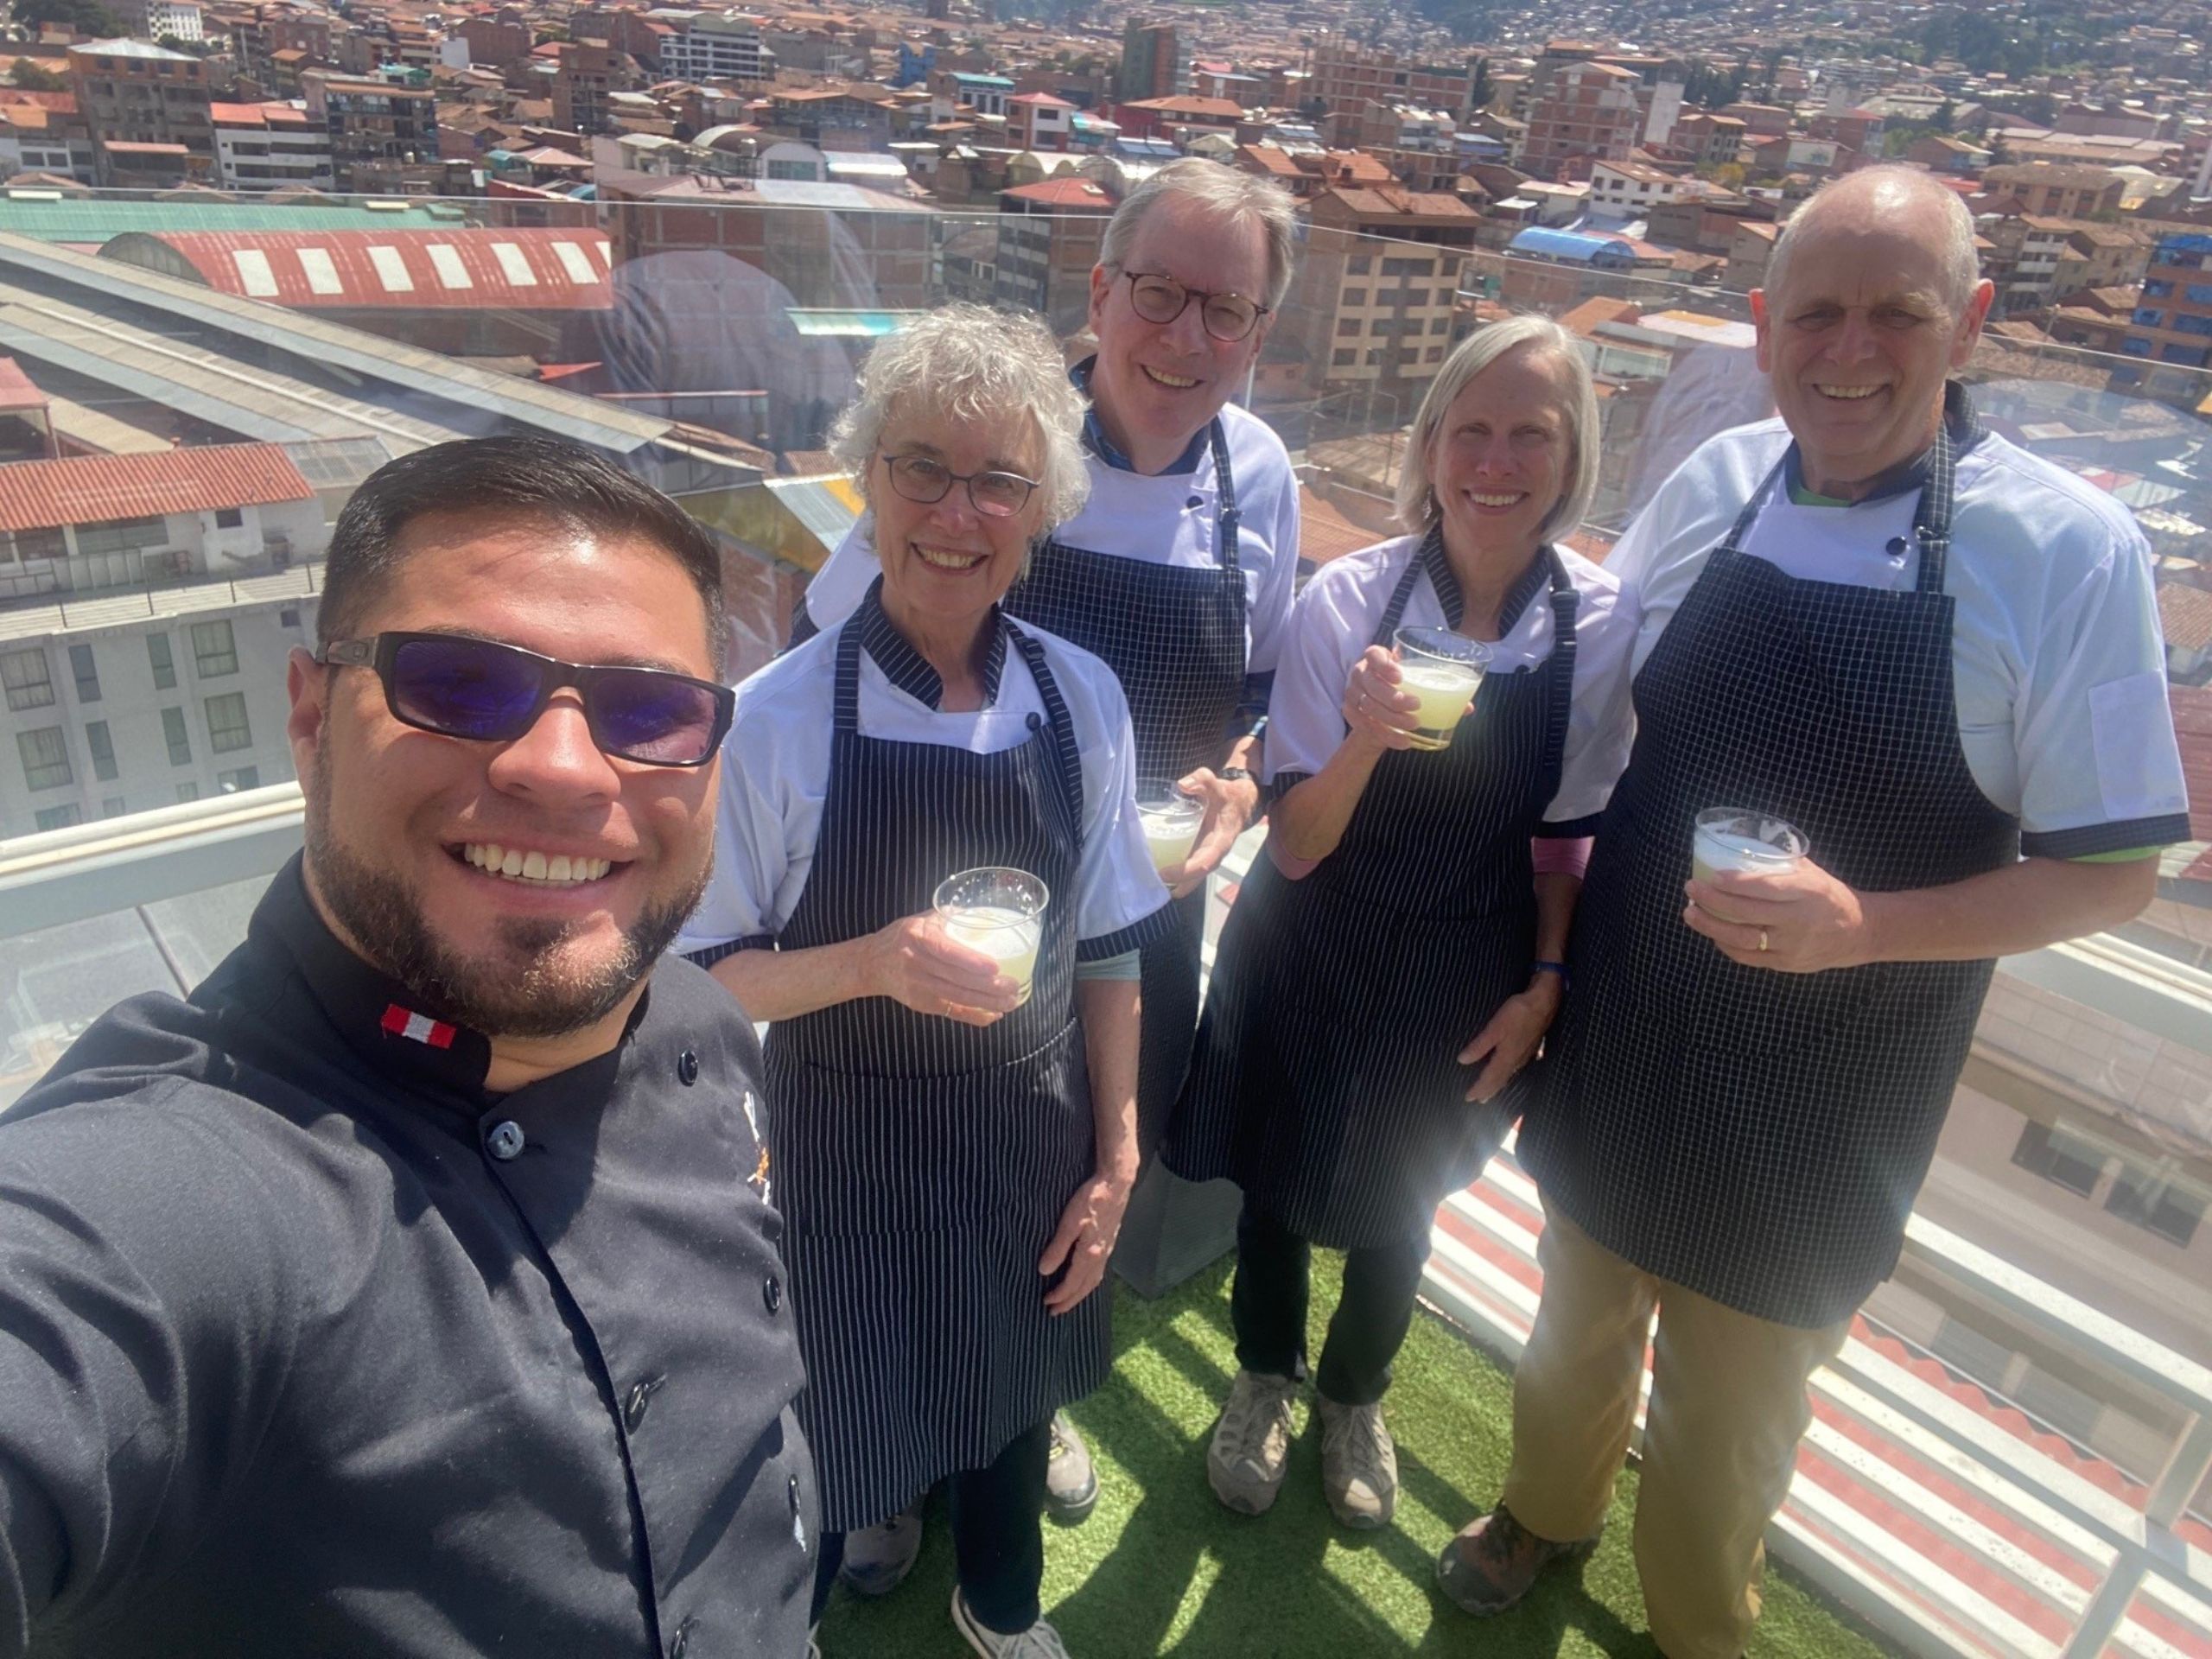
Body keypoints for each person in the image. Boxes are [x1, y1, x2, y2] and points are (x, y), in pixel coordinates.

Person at [1440, 167, 2190, 1659]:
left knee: (1730, 1426)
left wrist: (1865, 927)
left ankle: (1696, 1629)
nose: (1850, 352)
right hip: (1630, 1025)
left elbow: (2115, 873)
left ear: (1969, 323)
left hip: (1831, 1092)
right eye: (1816, 315)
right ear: (1764, 325)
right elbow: (1593, 719)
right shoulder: (1713, 484)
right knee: (1572, 1324)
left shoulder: (2066, 551)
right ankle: (1543, 1513)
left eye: (1896, 314)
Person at [0, 436, 817, 1656]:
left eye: (651, 712)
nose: (560, 769)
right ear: (310, 717)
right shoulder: (174, 1200)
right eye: (459, 685)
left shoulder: (700, 1019)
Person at [790, 156, 1303, 1555]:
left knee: (1068, 1166)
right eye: (1161, 294)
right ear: (1102, 290)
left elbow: (1261, 696)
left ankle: (1023, 1396)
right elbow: (830, 639)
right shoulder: (994, 439)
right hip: (933, 892)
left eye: (1228, 310)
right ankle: (893, 1452)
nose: (1189, 338)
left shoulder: (1257, 474)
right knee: (898, 1180)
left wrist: (1240, 788)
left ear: (1260, 332)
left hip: (1138, 911)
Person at [677, 305, 1174, 1659]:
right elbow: (707, 981)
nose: (959, 514)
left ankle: (997, 1604)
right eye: (923, 469)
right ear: (868, 479)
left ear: (1043, 508)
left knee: (1011, 1388)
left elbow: (1110, 943)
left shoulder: (1081, 699)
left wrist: (1118, 1153)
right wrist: (873, 962)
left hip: (1027, 1135)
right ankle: (831, 1580)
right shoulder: (776, 720)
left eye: (1000, 479)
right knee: (838, 1413)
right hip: (843, 1156)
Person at [1166, 318, 1634, 1532]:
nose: (1495, 461)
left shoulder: (1598, 623)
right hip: (1312, 936)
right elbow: (1300, 843)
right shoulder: (1351, 598)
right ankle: (1263, 1377)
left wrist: (1545, 982)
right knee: (1277, 1183)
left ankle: (1354, 1395)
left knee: (1404, 1200)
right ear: (1429, 447)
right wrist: (1370, 737)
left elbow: (1567, 838)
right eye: (1469, 430)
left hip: (1469, 957)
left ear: (1573, 455)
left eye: (1531, 433)